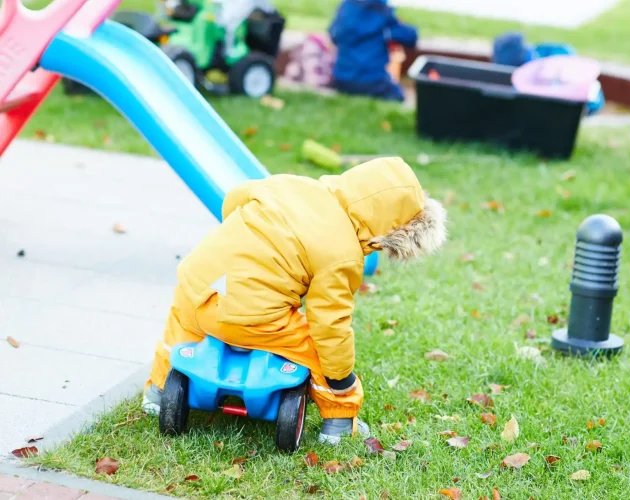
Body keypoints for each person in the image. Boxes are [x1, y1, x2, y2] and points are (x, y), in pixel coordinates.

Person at [142, 157, 447, 445]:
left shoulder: (289, 184)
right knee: (317, 351)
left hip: (198, 284)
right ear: (384, 232)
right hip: (254, 314)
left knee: (181, 328)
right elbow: (329, 325)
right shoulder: (342, 253)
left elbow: (236, 197)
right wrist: (340, 377)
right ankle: (339, 422)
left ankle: (157, 391)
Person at [328, 0, 418, 102]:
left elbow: (333, 34)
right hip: (373, 82)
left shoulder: (346, 7)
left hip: (342, 79)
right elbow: (411, 37)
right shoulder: (382, 12)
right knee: (399, 97)